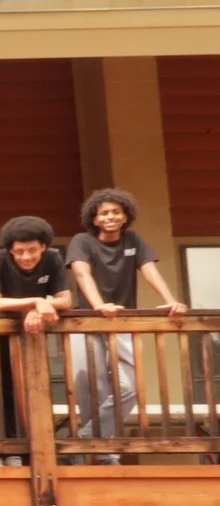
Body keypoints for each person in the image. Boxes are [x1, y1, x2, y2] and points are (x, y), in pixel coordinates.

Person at [68, 187, 189, 462]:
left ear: (125, 217)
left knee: (130, 388)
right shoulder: (82, 241)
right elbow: (81, 273)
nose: (110, 217)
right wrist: (99, 305)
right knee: (91, 385)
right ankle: (102, 452)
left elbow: (150, 270)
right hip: (85, 322)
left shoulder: (133, 240)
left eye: (115, 212)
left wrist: (171, 300)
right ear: (95, 218)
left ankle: (86, 439)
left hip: (122, 322)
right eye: (104, 213)